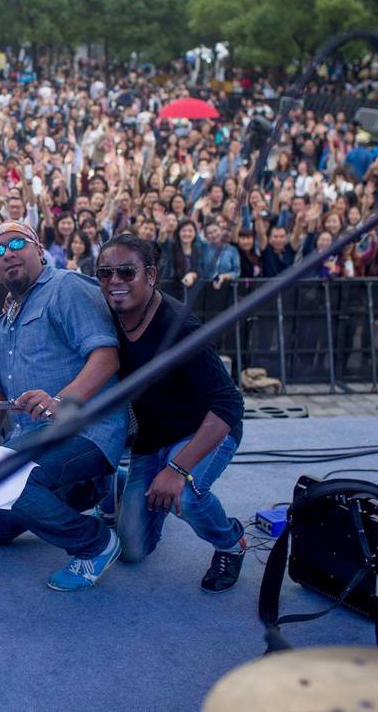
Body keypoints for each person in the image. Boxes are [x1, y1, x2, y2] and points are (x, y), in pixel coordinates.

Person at [0, 221, 125, 591]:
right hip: (32, 436)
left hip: (83, 428)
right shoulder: (3, 323)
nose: (8, 254)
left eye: (17, 243)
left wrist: (60, 400)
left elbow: (105, 357)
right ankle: (97, 487)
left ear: (39, 249)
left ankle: (94, 543)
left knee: (9, 478)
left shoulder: (67, 287)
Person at [95, 234, 248, 592]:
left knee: (190, 497)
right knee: (132, 550)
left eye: (126, 272)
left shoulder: (179, 326)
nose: (115, 281)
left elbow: (229, 404)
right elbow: (70, 287)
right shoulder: (110, 310)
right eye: (105, 273)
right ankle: (128, 484)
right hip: (151, 441)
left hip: (203, 433)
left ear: (150, 275)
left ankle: (230, 542)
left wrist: (178, 469)